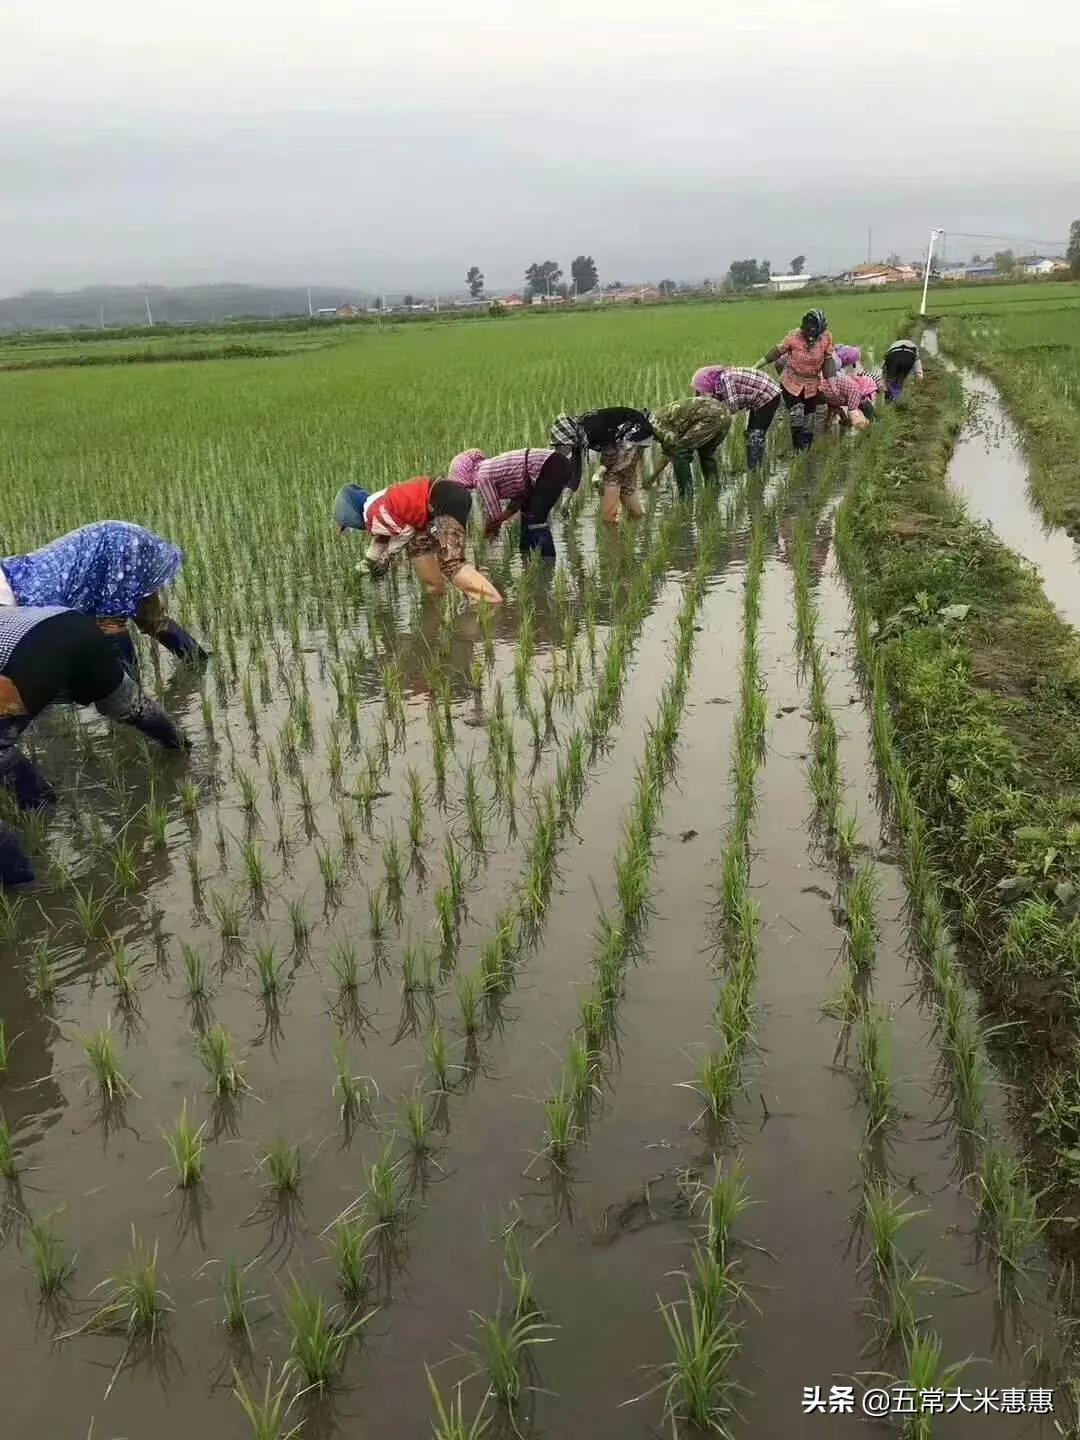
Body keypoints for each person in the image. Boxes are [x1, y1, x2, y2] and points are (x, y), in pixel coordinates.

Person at [1, 605, 189, 885]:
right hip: (73, 626)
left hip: (26, 657)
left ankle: (22, 885)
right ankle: (181, 747)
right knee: (130, 705)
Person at [0, 521, 207, 673]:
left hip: (118, 548)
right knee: (151, 620)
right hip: (118, 541)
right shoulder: (18, 581)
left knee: (111, 622)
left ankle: (131, 697)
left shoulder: (31, 599)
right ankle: (199, 662)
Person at [333, 477, 502, 602]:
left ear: (352, 516)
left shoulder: (373, 514)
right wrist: (367, 563)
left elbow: (405, 532)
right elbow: (382, 539)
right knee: (418, 547)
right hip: (444, 498)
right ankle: (437, 596)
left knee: (452, 564)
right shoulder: (376, 504)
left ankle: (493, 603)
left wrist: (386, 557)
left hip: (443, 500)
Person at [447, 447, 574, 558]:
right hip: (557, 465)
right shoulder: (490, 470)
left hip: (553, 466)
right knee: (527, 515)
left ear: (465, 473)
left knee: (536, 520)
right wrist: (503, 518)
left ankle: (548, 566)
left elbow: (494, 515)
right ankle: (528, 559)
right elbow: (519, 499)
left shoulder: (483, 477)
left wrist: (485, 535)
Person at [549, 407, 654, 523]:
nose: (563, 449)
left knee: (612, 475)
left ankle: (609, 521)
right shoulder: (577, 434)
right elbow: (574, 471)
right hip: (623, 437)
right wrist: (566, 500)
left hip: (635, 430)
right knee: (623, 481)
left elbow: (611, 456)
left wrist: (598, 473)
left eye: (563, 445)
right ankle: (637, 519)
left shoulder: (593, 428)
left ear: (571, 436)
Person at [758, 310, 837, 451]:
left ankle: (806, 449)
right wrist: (756, 366)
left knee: (809, 419)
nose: (812, 336)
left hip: (812, 384)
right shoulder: (794, 335)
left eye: (815, 333)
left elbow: (828, 359)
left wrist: (832, 383)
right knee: (797, 413)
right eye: (809, 332)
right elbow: (777, 352)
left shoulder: (826, 337)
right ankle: (797, 449)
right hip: (791, 381)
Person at [691, 365, 783, 472]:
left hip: (768, 396)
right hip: (760, 397)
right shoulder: (718, 383)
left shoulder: (726, 379)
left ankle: (755, 470)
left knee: (755, 435)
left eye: (703, 388)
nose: (703, 392)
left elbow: (732, 407)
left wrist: (716, 416)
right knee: (751, 433)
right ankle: (754, 467)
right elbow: (713, 399)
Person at [647, 397, 732, 496]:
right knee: (706, 452)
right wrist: (652, 478)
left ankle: (686, 497)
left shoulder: (653, 422)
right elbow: (668, 452)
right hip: (725, 414)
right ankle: (713, 490)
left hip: (710, 416)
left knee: (680, 453)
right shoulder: (659, 418)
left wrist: (650, 479)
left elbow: (673, 448)